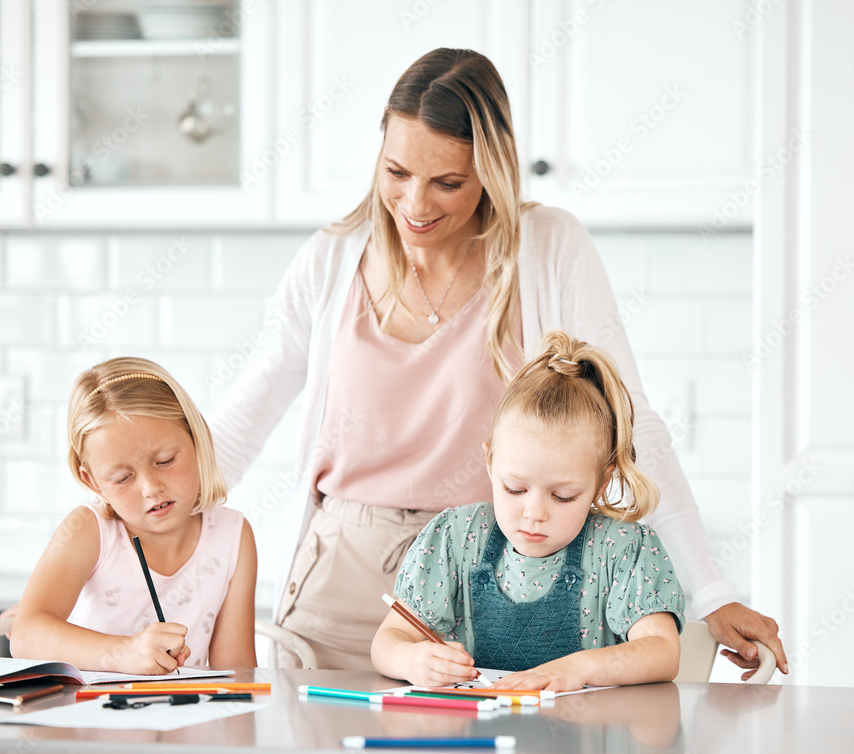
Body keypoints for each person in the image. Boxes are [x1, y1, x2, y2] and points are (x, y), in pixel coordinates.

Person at [209, 47, 785, 677]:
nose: (415, 204)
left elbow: (632, 420)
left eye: (448, 183)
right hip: (341, 578)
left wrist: (710, 591)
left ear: (493, 171)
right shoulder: (332, 260)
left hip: (487, 570)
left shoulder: (548, 249)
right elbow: (243, 418)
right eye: (397, 171)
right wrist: (141, 510)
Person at [371, 331, 684, 690]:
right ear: (490, 463)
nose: (534, 513)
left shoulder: (623, 549)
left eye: (563, 495)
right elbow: (389, 639)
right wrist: (413, 660)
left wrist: (577, 670)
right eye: (515, 488)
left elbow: (662, 651)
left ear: (601, 482)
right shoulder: (456, 538)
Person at [10, 357, 257, 674]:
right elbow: (26, 635)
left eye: (165, 460)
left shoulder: (233, 535)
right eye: (122, 478)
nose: (151, 488)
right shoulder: (88, 529)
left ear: (198, 438)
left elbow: (237, 675)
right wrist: (123, 653)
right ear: (93, 481)